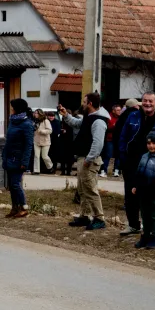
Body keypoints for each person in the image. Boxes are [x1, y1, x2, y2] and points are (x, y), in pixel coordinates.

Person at [118, 92, 155, 237]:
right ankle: (133, 225)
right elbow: (123, 136)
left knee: (150, 197)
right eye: (145, 101)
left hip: (153, 165)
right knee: (131, 196)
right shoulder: (133, 116)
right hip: (131, 163)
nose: (147, 103)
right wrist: (123, 155)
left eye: (150, 101)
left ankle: (151, 229)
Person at [60, 93, 111, 231]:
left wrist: (89, 159)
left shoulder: (99, 121)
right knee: (82, 190)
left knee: (90, 189)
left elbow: (98, 143)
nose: (82, 104)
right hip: (84, 157)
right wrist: (66, 115)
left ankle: (99, 218)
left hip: (90, 159)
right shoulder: (90, 117)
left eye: (84, 101)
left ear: (90, 103)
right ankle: (84, 216)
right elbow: (76, 124)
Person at [131, 131, 155, 250]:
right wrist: (136, 185)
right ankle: (145, 235)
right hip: (143, 191)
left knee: (154, 214)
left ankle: (154, 237)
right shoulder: (144, 156)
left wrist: (152, 186)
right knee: (144, 214)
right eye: (149, 143)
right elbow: (139, 172)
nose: (151, 146)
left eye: (154, 143)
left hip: (154, 192)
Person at [3, 98, 34, 218]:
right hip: (9, 157)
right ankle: (14, 207)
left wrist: (25, 162)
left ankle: (23, 207)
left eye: (12, 107)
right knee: (12, 185)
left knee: (16, 184)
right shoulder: (12, 121)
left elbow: (28, 145)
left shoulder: (27, 124)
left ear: (17, 109)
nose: (11, 109)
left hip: (19, 159)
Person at [112, 99, 139, 178]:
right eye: (137, 105)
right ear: (134, 106)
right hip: (133, 146)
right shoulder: (135, 116)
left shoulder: (121, 117)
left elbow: (116, 132)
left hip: (122, 146)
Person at [99, 104, 121, 177]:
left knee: (118, 155)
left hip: (118, 139)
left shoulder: (121, 118)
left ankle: (116, 170)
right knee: (107, 155)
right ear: (113, 111)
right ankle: (104, 171)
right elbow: (106, 128)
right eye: (118, 110)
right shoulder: (108, 117)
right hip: (110, 138)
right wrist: (114, 126)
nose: (119, 112)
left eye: (120, 110)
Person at [33, 109, 53, 174]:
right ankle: (36, 170)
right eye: (35, 113)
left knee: (44, 156)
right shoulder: (34, 121)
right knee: (36, 156)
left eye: (36, 113)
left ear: (40, 114)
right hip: (36, 140)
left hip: (45, 141)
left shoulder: (46, 121)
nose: (35, 114)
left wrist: (41, 131)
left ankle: (50, 166)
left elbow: (50, 130)